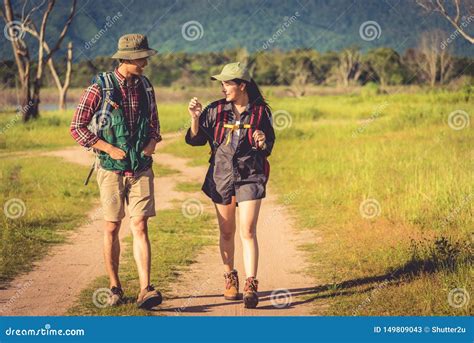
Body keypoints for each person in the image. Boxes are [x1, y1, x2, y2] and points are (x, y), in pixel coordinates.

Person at [70, 34, 162, 310]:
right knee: (112, 226)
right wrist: (107, 148)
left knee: (140, 224)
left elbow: (155, 125)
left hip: (141, 168)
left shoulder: (146, 87)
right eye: (141, 58)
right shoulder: (99, 89)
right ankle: (115, 287)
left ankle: (146, 289)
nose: (145, 62)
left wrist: (151, 144)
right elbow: (77, 127)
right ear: (127, 59)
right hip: (111, 170)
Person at [185, 62, 275, 308]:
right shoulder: (214, 110)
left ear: (242, 85)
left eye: (227, 83)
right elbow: (196, 140)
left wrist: (261, 140)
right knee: (226, 231)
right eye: (222, 84)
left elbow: (268, 147)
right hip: (221, 176)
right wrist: (195, 118)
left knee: (247, 230)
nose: (223, 88)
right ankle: (230, 278)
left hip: (250, 175)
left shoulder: (260, 113)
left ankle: (251, 284)